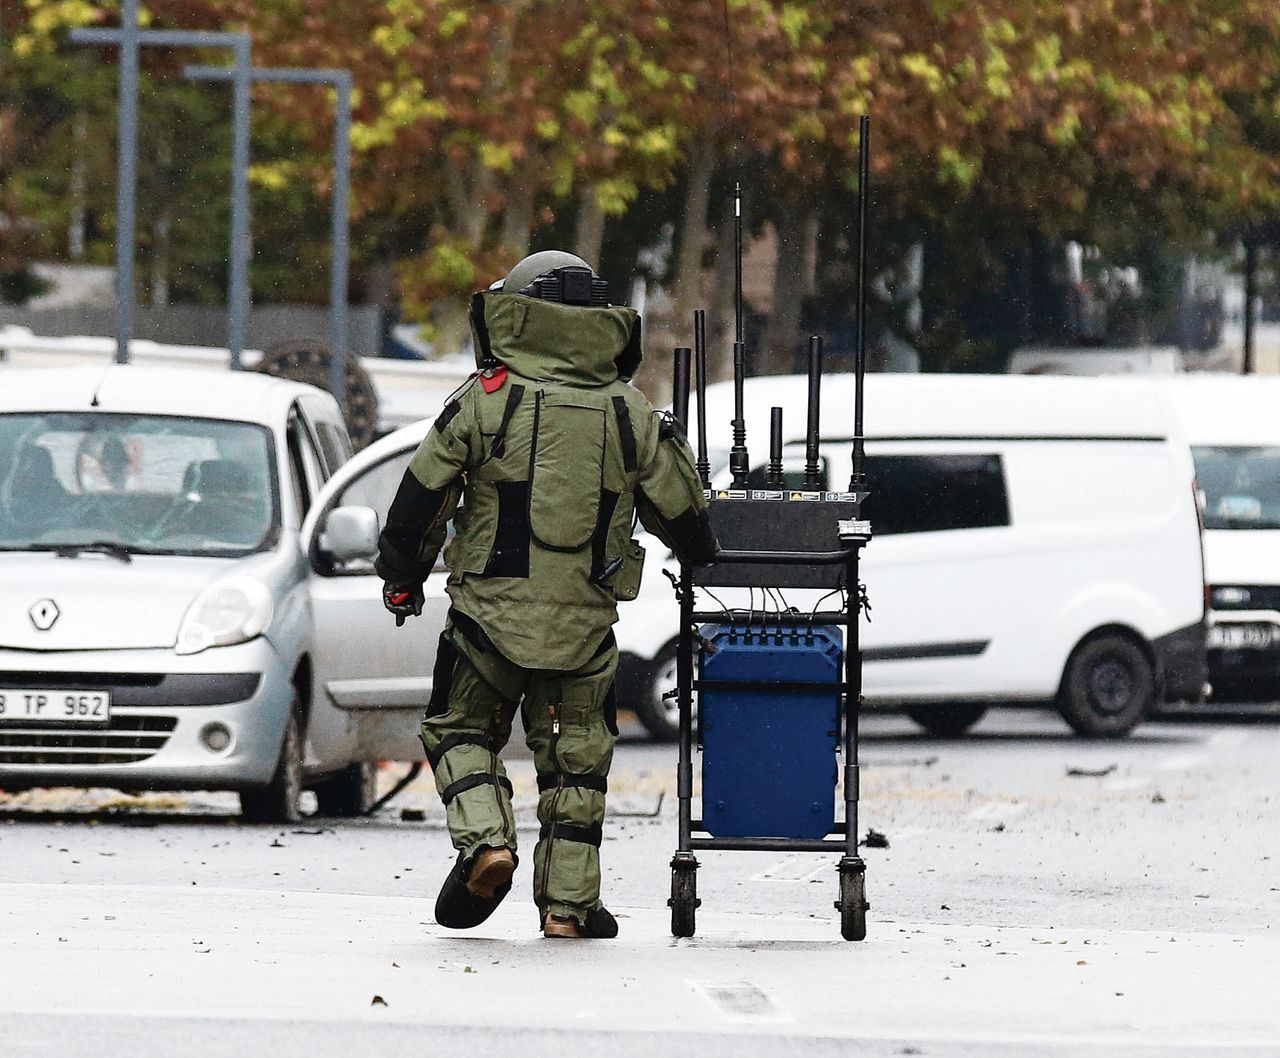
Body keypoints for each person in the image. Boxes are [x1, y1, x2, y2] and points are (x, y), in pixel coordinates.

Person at [376, 250, 718, 939]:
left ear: (516, 314)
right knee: (576, 764)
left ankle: (487, 843)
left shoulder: (486, 397)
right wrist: (701, 555)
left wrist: (402, 574)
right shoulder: (631, 413)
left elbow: (421, 498)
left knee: (461, 732)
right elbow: (685, 517)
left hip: (484, 624)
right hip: (584, 634)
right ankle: (567, 907)